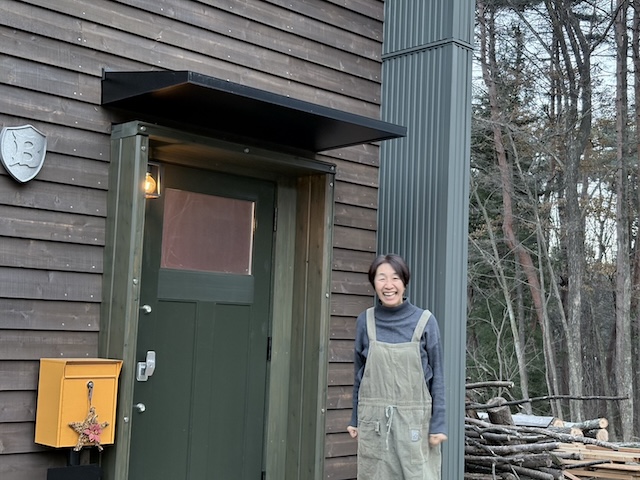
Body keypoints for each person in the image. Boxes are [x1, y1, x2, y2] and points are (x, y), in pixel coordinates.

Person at [347, 254, 447, 480]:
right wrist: (355, 419)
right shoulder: (365, 322)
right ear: (373, 283)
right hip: (375, 428)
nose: (388, 285)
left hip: (415, 428)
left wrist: (438, 424)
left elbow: (438, 378)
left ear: (404, 282)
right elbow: (360, 377)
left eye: (395, 278)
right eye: (381, 278)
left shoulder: (425, 322)